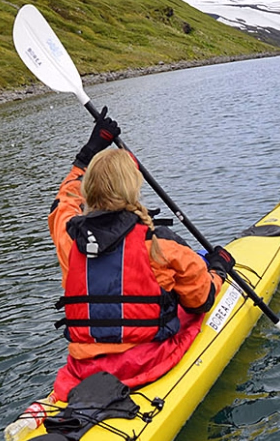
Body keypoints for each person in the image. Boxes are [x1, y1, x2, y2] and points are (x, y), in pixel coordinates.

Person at [44, 113, 231, 403]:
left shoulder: (69, 238)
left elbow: (63, 202)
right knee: (189, 312)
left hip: (85, 371)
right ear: (132, 190)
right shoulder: (159, 243)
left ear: (88, 191)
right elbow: (201, 299)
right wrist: (219, 269)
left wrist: (88, 153)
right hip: (147, 363)